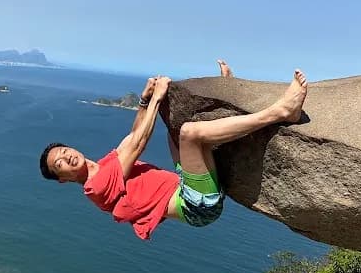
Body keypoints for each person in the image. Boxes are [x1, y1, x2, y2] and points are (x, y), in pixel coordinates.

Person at [39, 60, 308, 240]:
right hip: (196, 205)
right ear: (62, 179)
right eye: (59, 164)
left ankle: (225, 98)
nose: (66, 156)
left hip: (184, 186)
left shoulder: (104, 165)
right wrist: (157, 98)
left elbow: (131, 136)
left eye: (63, 151)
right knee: (190, 134)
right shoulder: (97, 186)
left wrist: (144, 101)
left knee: (173, 129)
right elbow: (139, 143)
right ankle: (281, 112)